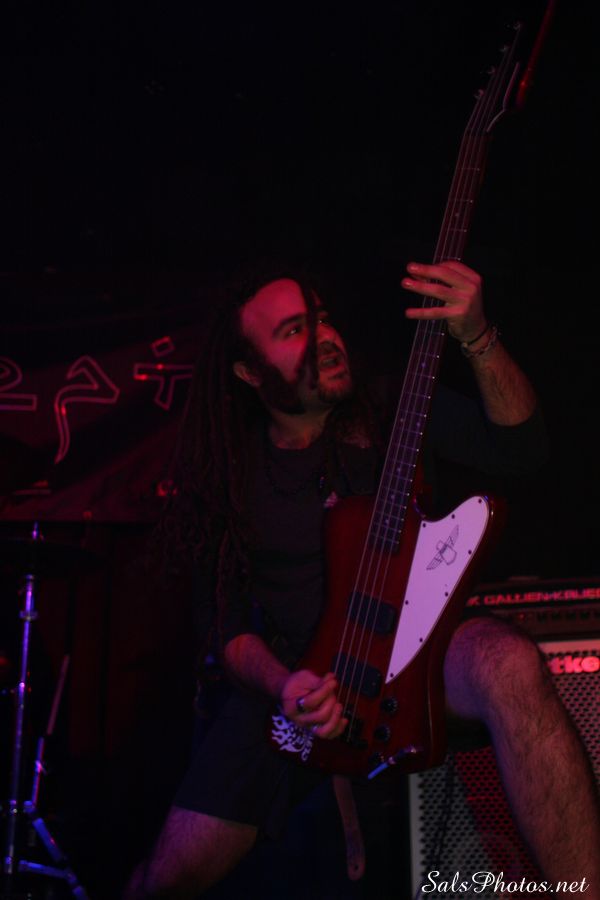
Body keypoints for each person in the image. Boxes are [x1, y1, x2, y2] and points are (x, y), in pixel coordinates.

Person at [124, 259, 600, 899]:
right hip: (300, 686)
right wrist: (284, 685)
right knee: (165, 880)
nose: (323, 336)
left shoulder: (394, 406)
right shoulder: (229, 474)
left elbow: (523, 450)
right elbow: (226, 631)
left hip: (419, 655)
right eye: (293, 330)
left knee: (508, 662)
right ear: (248, 372)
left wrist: (477, 338)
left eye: (321, 318)